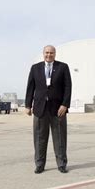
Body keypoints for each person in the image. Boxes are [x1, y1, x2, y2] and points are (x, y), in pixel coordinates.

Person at [25, 45, 72, 174]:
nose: (49, 55)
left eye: (51, 53)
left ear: (55, 54)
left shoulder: (63, 67)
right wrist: (28, 105)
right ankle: (39, 164)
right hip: (40, 109)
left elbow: (68, 87)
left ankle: (62, 164)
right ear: (43, 54)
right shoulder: (35, 68)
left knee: (60, 138)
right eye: (47, 52)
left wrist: (65, 104)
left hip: (58, 109)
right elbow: (30, 87)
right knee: (40, 138)